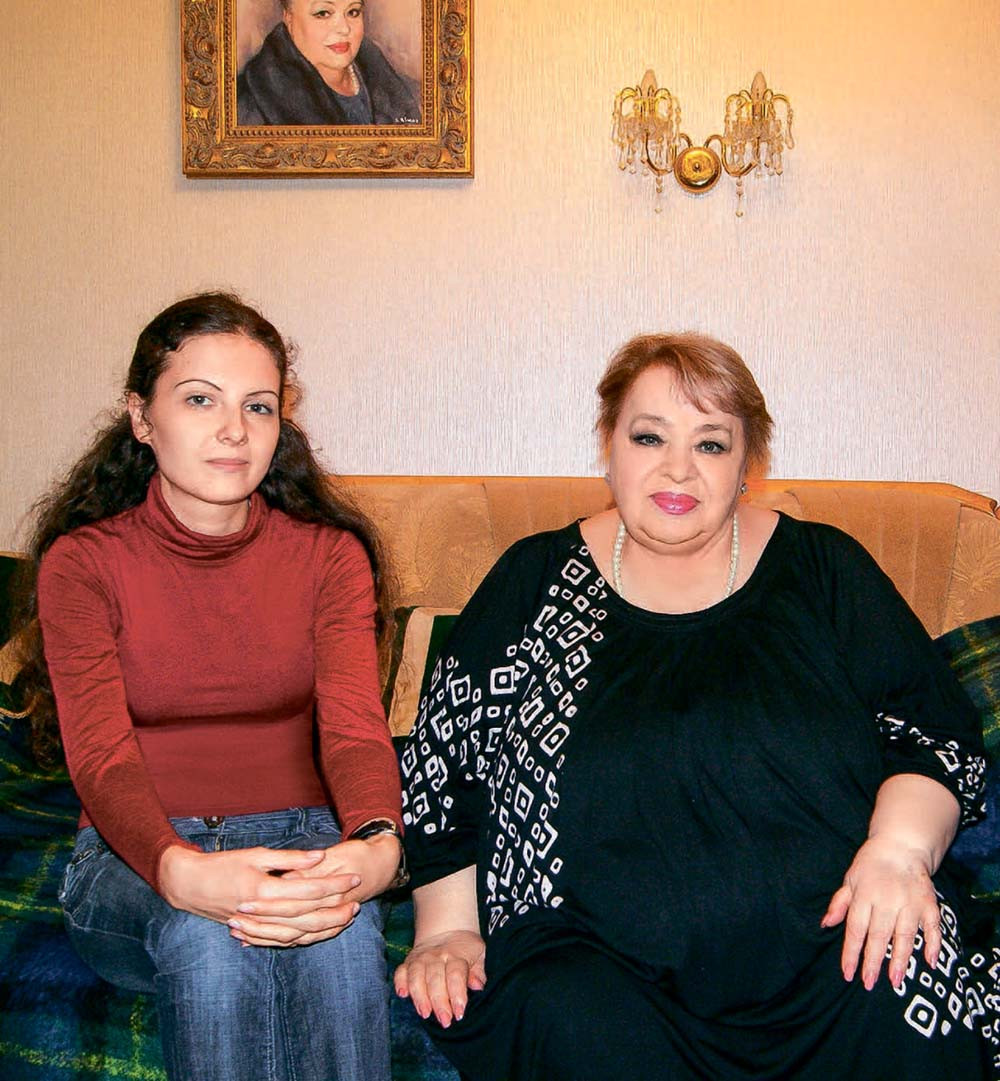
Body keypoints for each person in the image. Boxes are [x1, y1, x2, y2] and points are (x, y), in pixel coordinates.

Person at [394, 332, 996, 1080]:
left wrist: (900, 853)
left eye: (711, 444)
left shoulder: (825, 569)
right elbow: (442, 768)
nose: (678, 468)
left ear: (747, 467)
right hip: (596, 969)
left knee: (910, 984)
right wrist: (445, 929)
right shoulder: (534, 580)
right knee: (562, 1014)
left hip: (836, 948)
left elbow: (934, 734)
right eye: (650, 437)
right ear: (609, 446)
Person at [16, 293, 406, 1081]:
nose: (234, 430)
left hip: (302, 833)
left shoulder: (330, 556)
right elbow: (100, 757)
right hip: (134, 854)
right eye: (201, 399)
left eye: (257, 406)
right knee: (207, 935)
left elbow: (355, 730)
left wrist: (376, 843)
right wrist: (180, 869)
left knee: (345, 933)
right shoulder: (82, 564)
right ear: (141, 417)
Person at [237, 0, 421, 126]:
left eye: (353, 12)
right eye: (323, 13)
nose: (344, 28)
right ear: (288, 17)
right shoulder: (248, 107)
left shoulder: (406, 92)